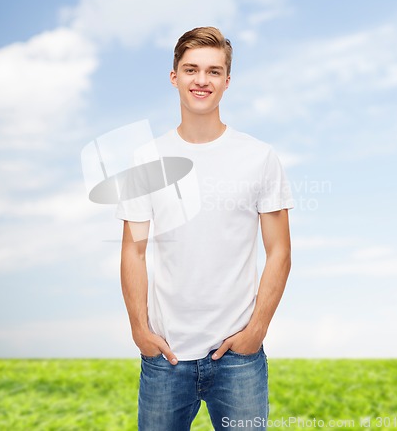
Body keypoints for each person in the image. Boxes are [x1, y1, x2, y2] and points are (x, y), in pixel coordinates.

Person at [117, 27, 293, 430]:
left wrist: (257, 330)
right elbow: (134, 250)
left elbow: (280, 251)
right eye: (191, 69)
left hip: (238, 357)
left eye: (213, 72)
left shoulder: (259, 157)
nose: (202, 80)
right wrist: (140, 331)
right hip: (165, 356)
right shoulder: (147, 158)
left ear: (227, 81)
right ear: (174, 76)